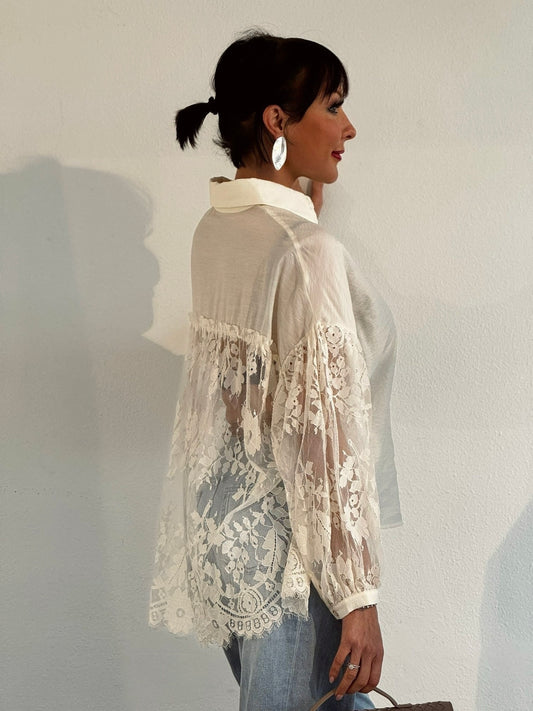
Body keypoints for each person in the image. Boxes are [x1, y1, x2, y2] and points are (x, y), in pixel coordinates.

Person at [149, 29, 402, 711]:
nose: (348, 127)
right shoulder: (305, 253)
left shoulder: (218, 231)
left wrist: (300, 207)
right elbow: (323, 438)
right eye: (333, 106)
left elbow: (250, 390)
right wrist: (357, 597)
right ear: (277, 120)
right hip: (297, 561)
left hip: (232, 544)